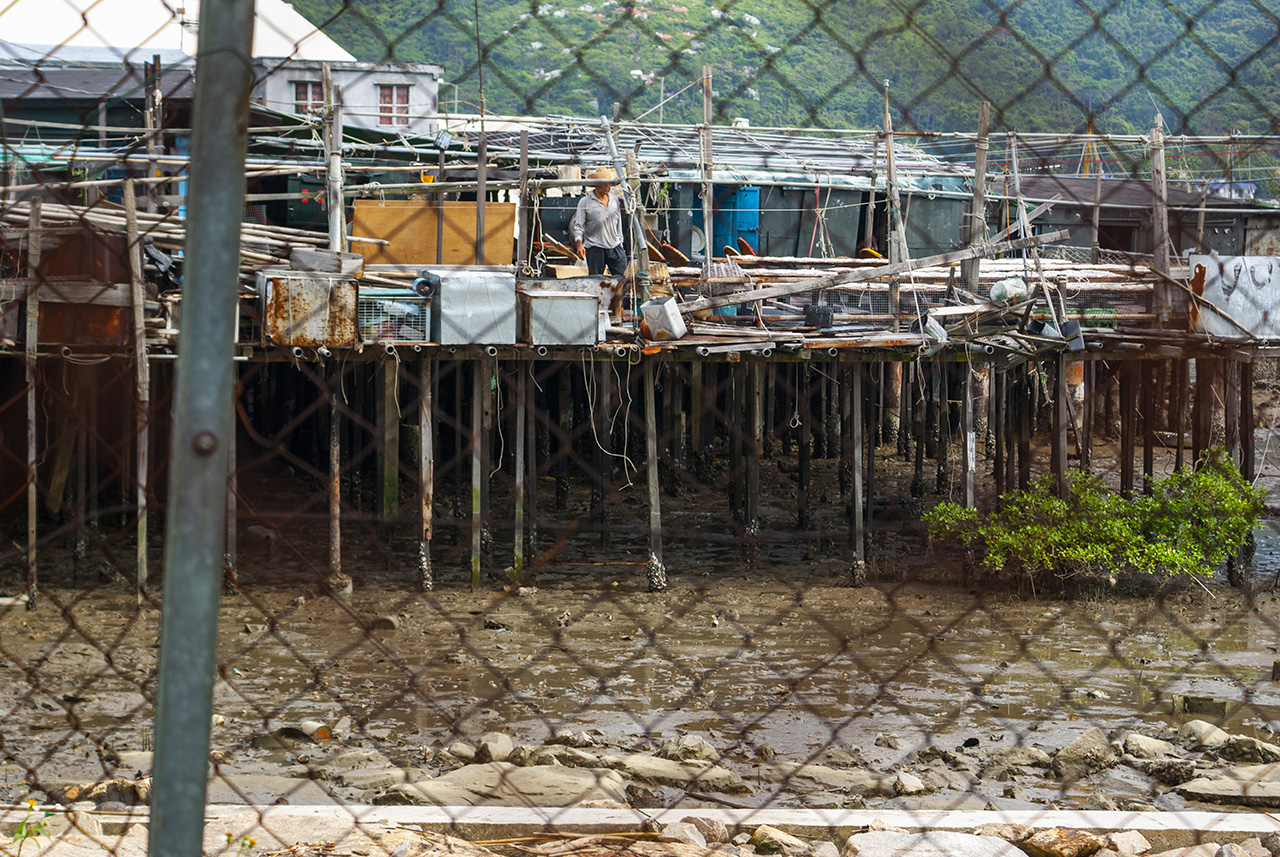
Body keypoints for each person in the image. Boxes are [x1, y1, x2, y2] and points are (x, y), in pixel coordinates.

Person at [571, 167, 628, 276]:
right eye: (604, 184)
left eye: (609, 184)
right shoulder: (585, 202)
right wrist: (579, 244)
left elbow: (618, 223)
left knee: (622, 279)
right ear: (596, 185)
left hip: (615, 246)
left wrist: (620, 243)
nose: (608, 186)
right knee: (595, 280)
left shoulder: (615, 200)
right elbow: (578, 226)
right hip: (595, 247)